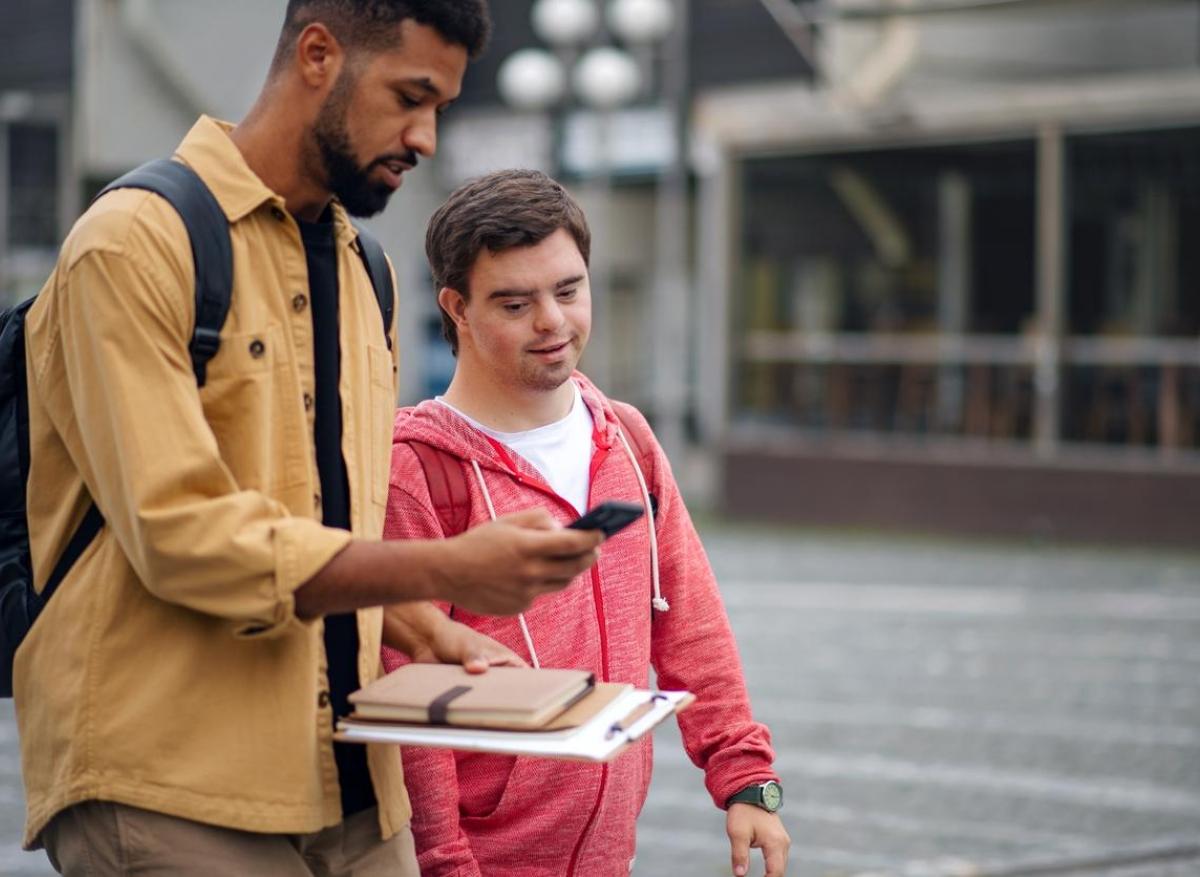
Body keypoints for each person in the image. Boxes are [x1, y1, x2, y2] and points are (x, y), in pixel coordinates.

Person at [18, 3, 603, 875]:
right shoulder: (133, 243)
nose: (427, 136)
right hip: (171, 784)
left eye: (440, 106)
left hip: (356, 778)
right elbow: (181, 535)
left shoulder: (368, 271)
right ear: (319, 55)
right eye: (411, 97)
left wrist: (424, 626)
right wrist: (444, 568)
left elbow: (325, 517)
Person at [381, 169, 792, 877]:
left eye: (568, 290)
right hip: (478, 860)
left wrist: (746, 778)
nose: (553, 321)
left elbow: (689, 620)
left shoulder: (626, 437)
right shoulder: (415, 468)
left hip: (608, 855)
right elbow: (412, 699)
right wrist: (445, 861)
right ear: (456, 308)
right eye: (516, 302)